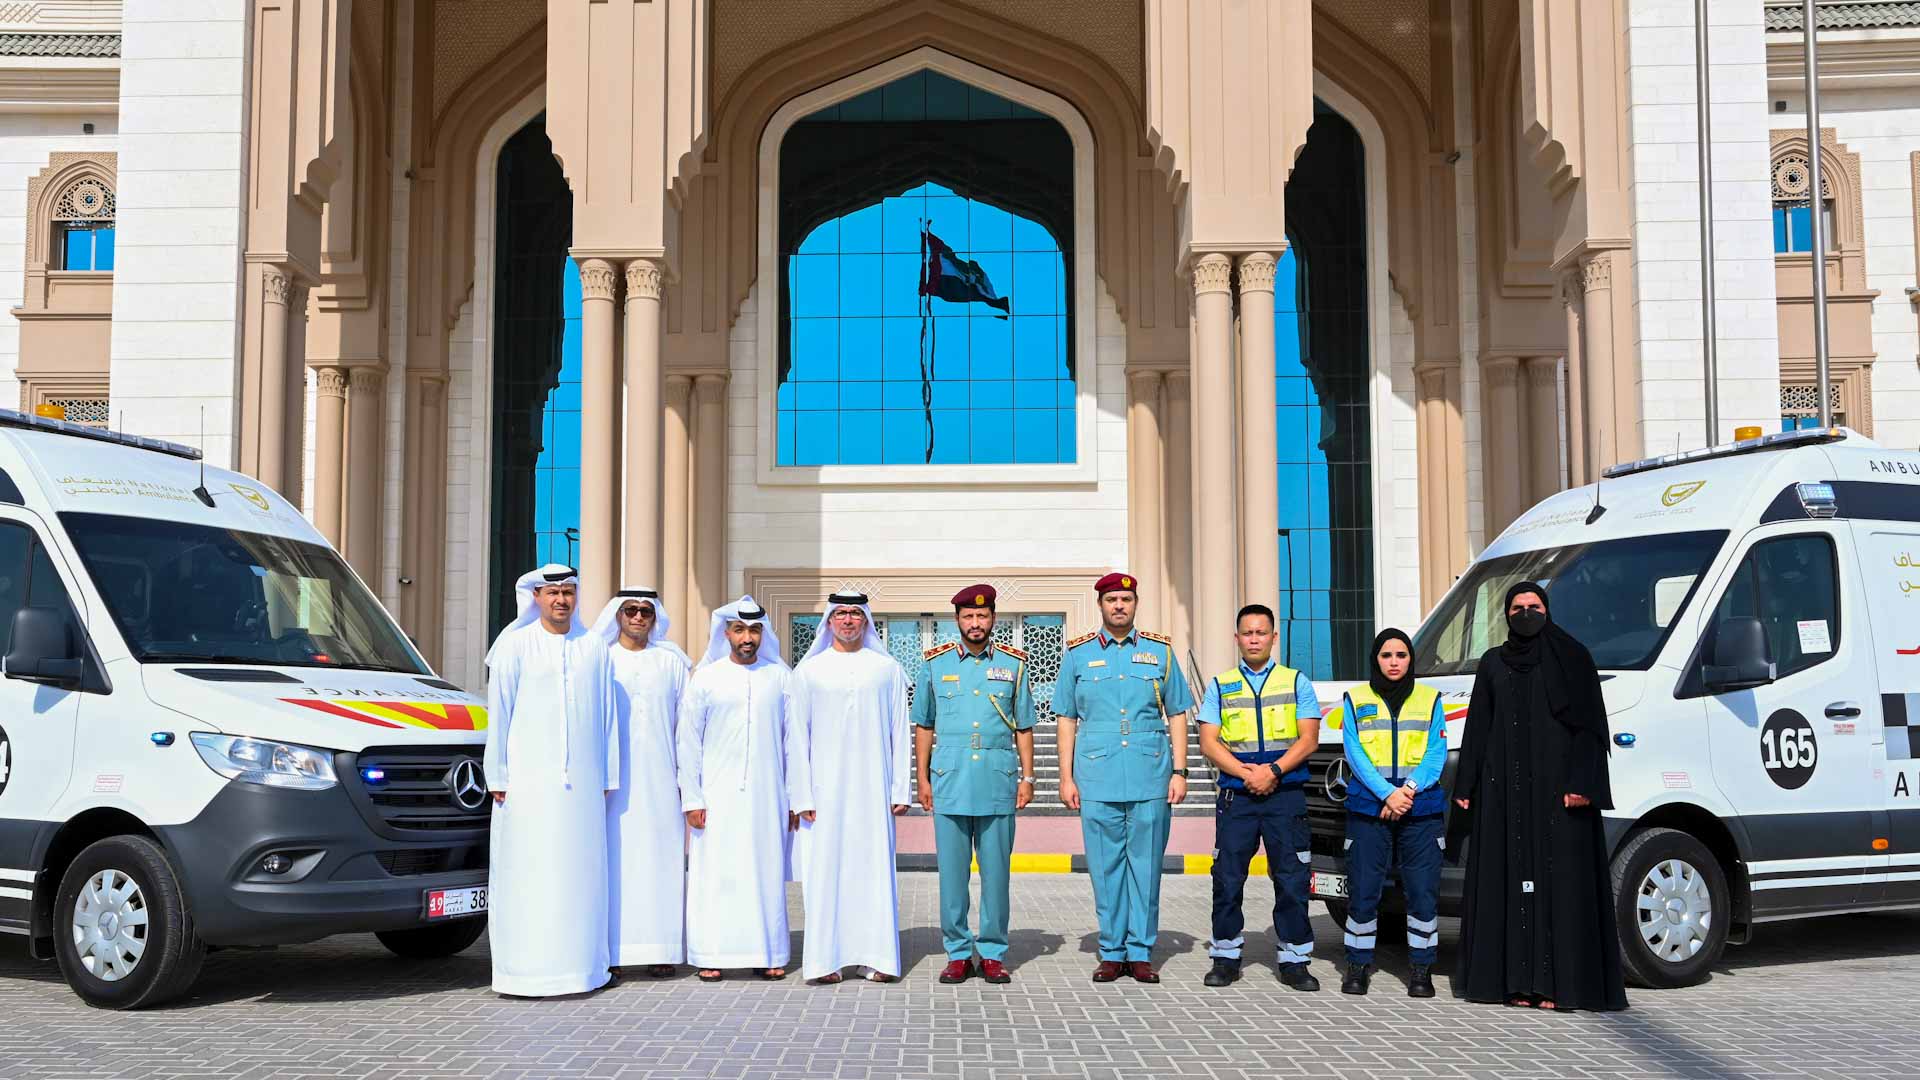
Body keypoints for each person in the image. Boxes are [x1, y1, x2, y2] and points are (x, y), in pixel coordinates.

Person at [1452, 581, 1628, 1011]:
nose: (1525, 613)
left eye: (1534, 606)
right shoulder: (1492, 662)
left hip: (1559, 794)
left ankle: (1554, 985)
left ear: (1547, 610)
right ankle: (1513, 982)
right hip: (1504, 793)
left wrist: (1584, 784)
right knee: (1508, 882)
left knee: (1558, 885)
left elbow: (1591, 729)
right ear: (1506, 615)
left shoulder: (1573, 658)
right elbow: (1478, 726)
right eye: (1517, 607)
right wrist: (1466, 786)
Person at [482, 564, 619, 997]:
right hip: (525, 784)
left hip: (583, 785)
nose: (561, 600)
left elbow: (607, 717)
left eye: (568, 592)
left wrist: (607, 774)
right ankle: (523, 973)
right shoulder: (514, 645)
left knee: (579, 874)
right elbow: (498, 714)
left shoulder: (594, 646)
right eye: (552, 592)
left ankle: (582, 971)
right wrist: (496, 773)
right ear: (536, 597)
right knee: (529, 872)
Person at [1052, 571, 1193, 984]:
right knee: (1104, 867)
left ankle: (1141, 951)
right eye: (1111, 600)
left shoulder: (1160, 653)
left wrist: (1180, 771)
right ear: (1100, 605)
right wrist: (1065, 777)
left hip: (1150, 775)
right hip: (1096, 776)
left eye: (1126, 601)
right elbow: (1065, 717)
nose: (1119, 606)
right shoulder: (1077, 655)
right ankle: (1112, 951)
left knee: (1146, 868)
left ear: (1135, 605)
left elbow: (1178, 713)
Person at [913, 584, 1037, 985]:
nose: (975, 623)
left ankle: (993, 952)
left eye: (982, 616)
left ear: (993, 620)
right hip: (949, 780)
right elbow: (925, 725)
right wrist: (923, 778)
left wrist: (1028, 776)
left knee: (996, 874)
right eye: (968, 616)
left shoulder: (1015, 665)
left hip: (997, 780)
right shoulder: (934, 664)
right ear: (957, 621)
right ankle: (957, 952)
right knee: (952, 876)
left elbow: (1024, 725)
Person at [787, 591, 913, 985]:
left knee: (873, 871)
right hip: (823, 795)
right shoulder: (809, 671)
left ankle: (876, 958)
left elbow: (898, 731)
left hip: (873, 791)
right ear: (828, 621)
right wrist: (801, 794)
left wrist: (899, 789)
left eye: (855, 614)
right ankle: (826, 961)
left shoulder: (886, 669)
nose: (847, 621)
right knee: (826, 873)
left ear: (866, 622)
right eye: (840, 614)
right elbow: (797, 737)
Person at [1195, 603, 1322, 990]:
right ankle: (1226, 956)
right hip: (1239, 794)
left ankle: (1294, 960)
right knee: (1228, 878)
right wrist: (1246, 772)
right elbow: (1208, 742)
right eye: (1247, 633)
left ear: (1273, 637)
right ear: (1237, 638)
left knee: (1291, 877)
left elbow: (1309, 738)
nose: (1254, 638)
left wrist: (1274, 771)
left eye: (1261, 632)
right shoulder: (1219, 685)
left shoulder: (1296, 681)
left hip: (1285, 793)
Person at [678, 595, 796, 982]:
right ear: (726, 632)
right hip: (716, 795)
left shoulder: (779, 677)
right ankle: (711, 953)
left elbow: (793, 742)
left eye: (755, 630)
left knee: (764, 872)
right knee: (716, 874)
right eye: (740, 629)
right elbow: (689, 742)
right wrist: (692, 798)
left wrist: (796, 798)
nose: (748, 637)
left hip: (768, 794)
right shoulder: (706, 678)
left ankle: (768, 952)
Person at [1338, 627, 1448, 998]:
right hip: (1371, 808)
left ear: (1411, 660)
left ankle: (1421, 970)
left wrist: (1409, 790)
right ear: (1376, 659)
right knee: (1364, 891)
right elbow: (1355, 754)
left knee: (1422, 892)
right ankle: (1357, 966)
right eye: (1386, 656)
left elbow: (1436, 753)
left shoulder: (1431, 699)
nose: (1394, 662)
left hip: (1420, 808)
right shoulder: (1354, 699)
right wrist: (1387, 794)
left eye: (1401, 655)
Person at [592, 587, 692, 979]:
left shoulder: (672, 662)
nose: (637, 617)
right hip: (612, 784)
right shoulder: (602, 659)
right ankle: (613, 949)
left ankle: (662, 948)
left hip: (662, 781)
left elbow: (686, 729)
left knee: (661, 861)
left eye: (645, 611)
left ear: (655, 618)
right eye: (630, 610)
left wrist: (688, 782)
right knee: (615, 863)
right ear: (618, 614)